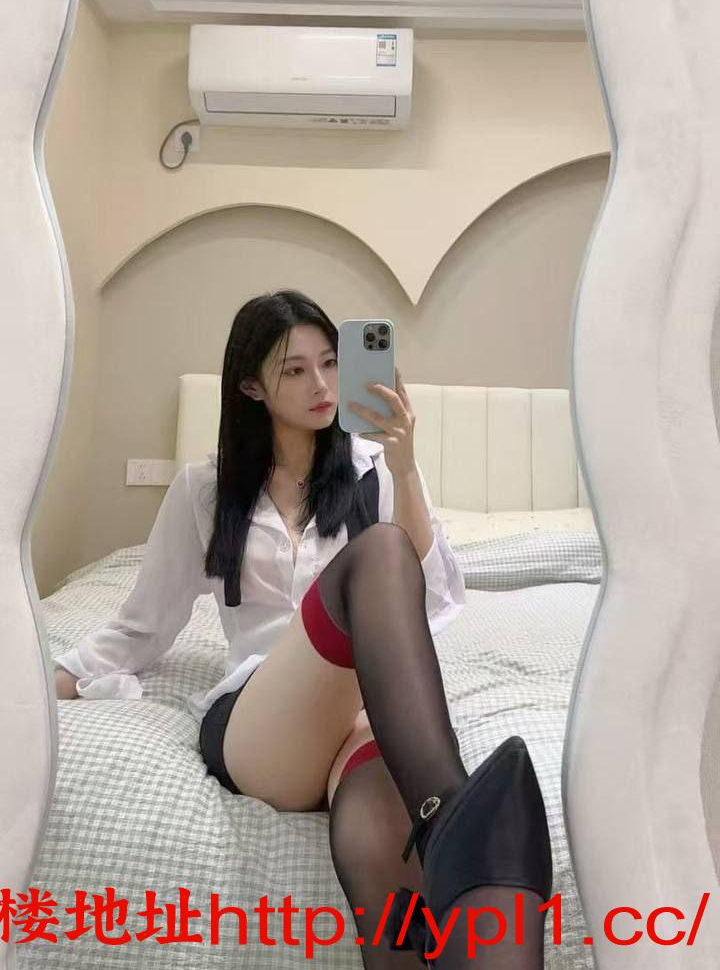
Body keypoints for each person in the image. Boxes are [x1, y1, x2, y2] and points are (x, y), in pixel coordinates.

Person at [54, 289, 552, 967]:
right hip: (264, 722)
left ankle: (443, 866)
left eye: (330, 363)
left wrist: (405, 469)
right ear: (251, 387)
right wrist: (50, 681)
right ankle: (451, 814)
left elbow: (434, 599)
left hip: (359, 719)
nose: (321, 384)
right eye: (295, 370)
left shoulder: (375, 468)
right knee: (378, 552)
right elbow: (143, 626)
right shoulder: (205, 489)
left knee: (381, 833)